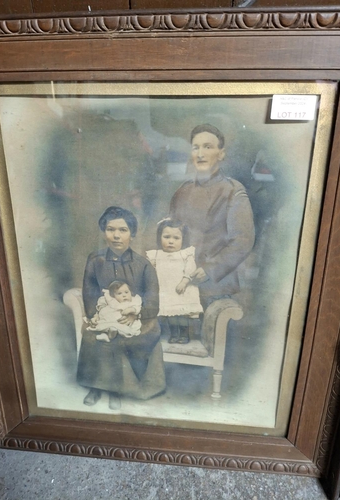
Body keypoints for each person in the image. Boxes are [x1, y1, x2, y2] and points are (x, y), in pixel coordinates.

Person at [76, 206, 166, 411]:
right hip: (104, 314)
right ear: (104, 232)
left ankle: (116, 390)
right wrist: (94, 317)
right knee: (96, 333)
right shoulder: (95, 260)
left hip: (136, 317)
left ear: (132, 234)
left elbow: (153, 299)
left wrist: (137, 313)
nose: (116, 235)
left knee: (119, 335)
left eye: (123, 230)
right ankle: (95, 387)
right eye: (110, 229)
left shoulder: (143, 265)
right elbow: (89, 292)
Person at [169, 124, 255, 309]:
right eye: (196, 147)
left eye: (208, 147)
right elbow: (169, 234)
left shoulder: (232, 191)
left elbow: (242, 241)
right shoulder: (182, 192)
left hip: (215, 289)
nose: (200, 154)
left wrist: (209, 269)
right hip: (179, 286)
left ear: (221, 154)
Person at [146, 218, 203, 344]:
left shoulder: (185, 255)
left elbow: (190, 269)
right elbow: (150, 271)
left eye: (176, 238)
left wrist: (184, 281)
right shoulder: (156, 255)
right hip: (166, 289)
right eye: (166, 237)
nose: (171, 241)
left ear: (183, 240)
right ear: (159, 237)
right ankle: (173, 334)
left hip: (181, 289)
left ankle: (184, 334)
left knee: (182, 315)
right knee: (170, 315)